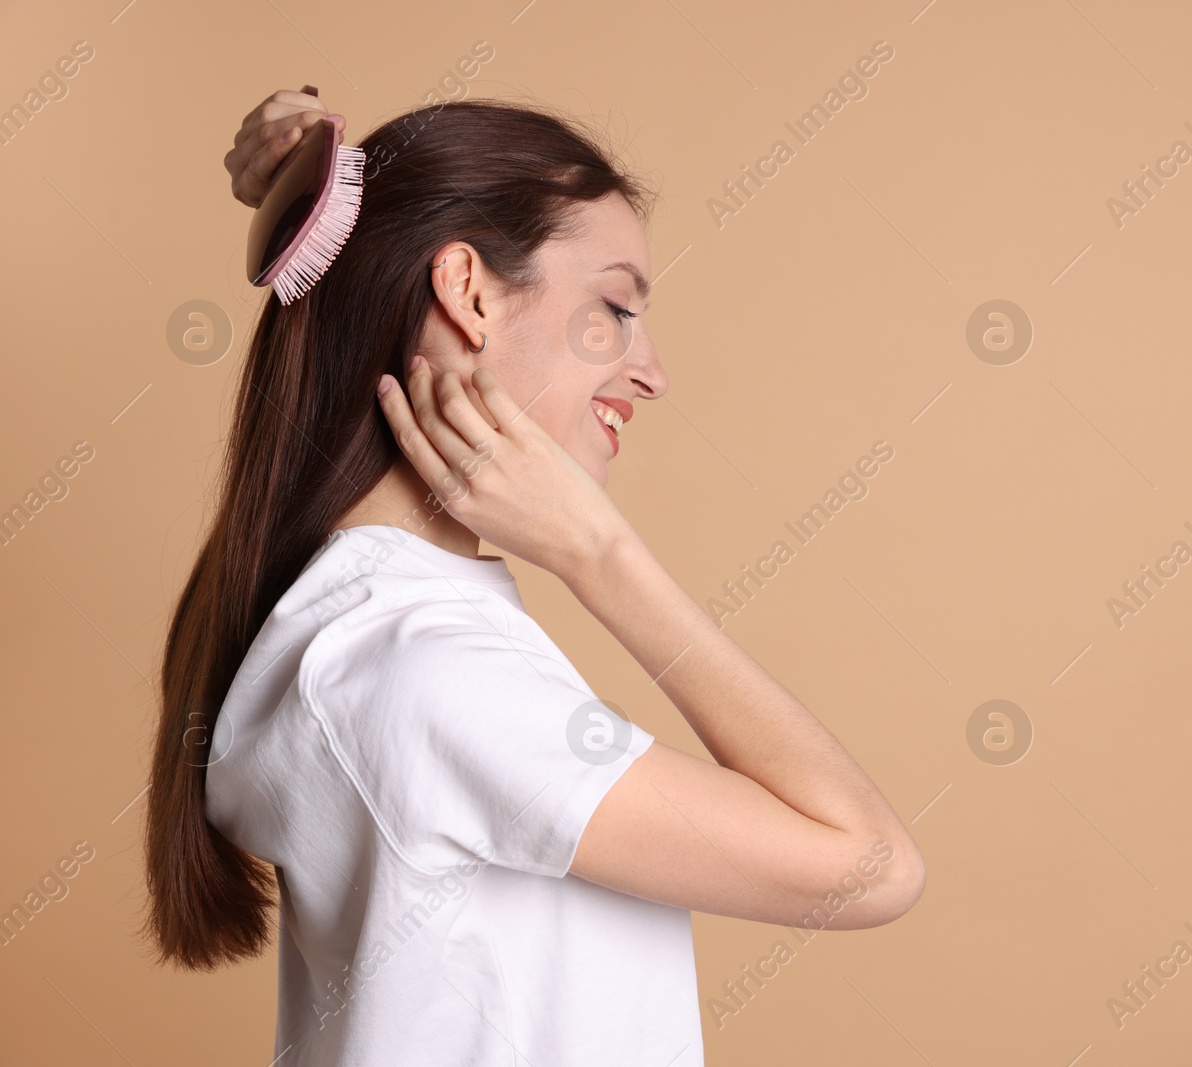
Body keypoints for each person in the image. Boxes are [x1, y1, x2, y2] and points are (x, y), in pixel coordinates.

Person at [143, 89, 925, 1066]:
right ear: (468, 291)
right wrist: (601, 555)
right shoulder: (422, 667)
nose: (651, 372)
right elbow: (873, 865)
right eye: (615, 307)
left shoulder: (363, 627)